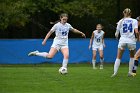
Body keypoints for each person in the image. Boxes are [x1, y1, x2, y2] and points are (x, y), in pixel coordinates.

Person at [111, 8, 139, 77]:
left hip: (122, 41)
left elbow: (116, 34)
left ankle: (115, 73)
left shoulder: (120, 21)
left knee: (118, 57)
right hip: (131, 41)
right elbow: (136, 32)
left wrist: (117, 37)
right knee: (132, 57)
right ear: (131, 14)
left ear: (124, 13)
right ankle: (130, 72)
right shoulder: (134, 21)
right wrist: (137, 38)